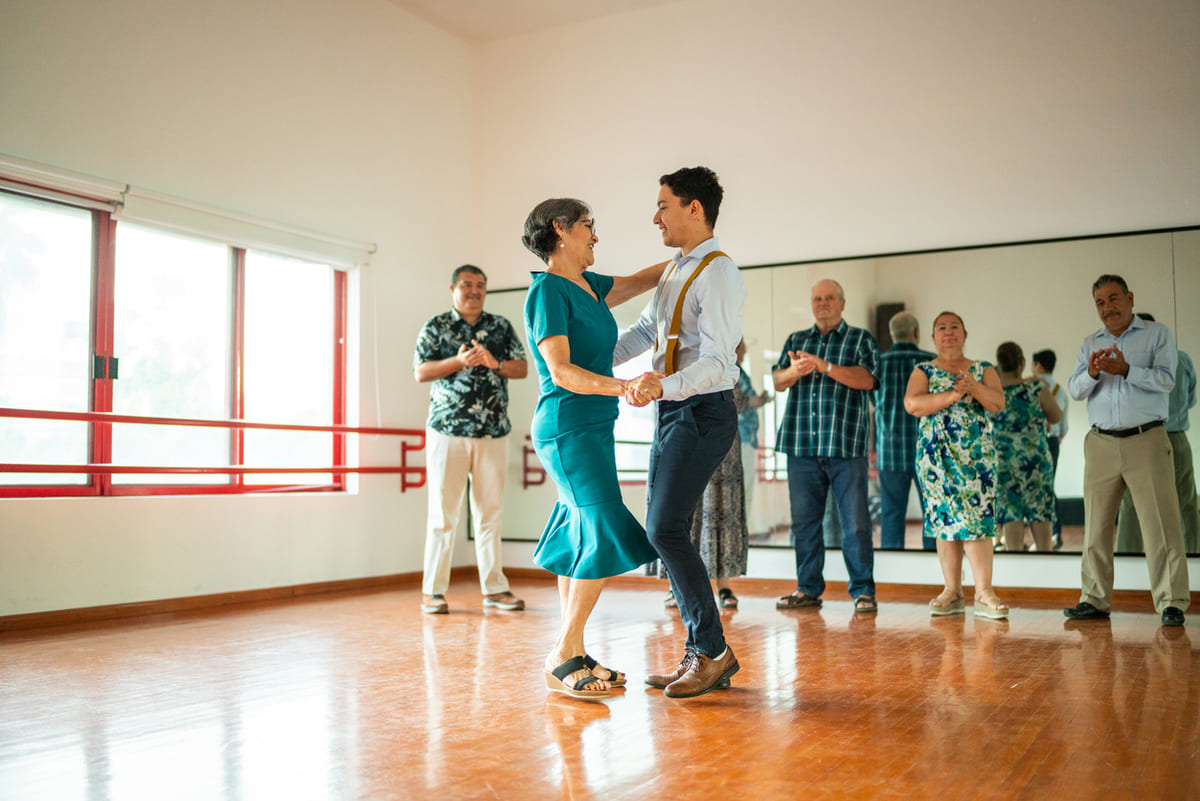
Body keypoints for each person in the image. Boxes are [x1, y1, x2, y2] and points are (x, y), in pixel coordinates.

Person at [521, 198, 666, 699]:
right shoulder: (547, 293)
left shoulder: (590, 285)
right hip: (567, 427)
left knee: (580, 534)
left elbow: (641, 280)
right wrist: (623, 386)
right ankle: (563, 652)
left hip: (592, 426)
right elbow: (559, 371)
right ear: (560, 230)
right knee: (602, 525)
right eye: (588, 226)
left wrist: (694, 255)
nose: (595, 237)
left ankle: (573, 650)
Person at [614, 166, 746, 698]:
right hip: (675, 411)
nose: (656, 216)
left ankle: (712, 652)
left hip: (704, 410)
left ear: (695, 209)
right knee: (664, 528)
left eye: (664, 205)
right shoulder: (675, 270)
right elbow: (646, 331)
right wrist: (582, 359)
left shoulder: (718, 273)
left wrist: (662, 386)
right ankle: (702, 649)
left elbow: (719, 363)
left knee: (664, 528)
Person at [1064, 275, 1189, 627]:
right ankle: (1094, 599)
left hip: (1146, 440)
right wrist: (1091, 372)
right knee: (1096, 528)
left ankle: (1171, 602)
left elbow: (1167, 380)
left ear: (1130, 298)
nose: (1108, 308)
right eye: (1100, 303)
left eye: (1114, 298)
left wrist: (1127, 370)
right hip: (1101, 443)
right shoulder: (1091, 343)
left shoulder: (1156, 334)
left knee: (1161, 526)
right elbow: (1075, 390)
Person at [413, 264, 528, 615]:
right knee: (442, 516)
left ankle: (495, 589)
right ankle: (433, 592)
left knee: (490, 514)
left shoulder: (500, 326)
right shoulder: (436, 326)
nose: (474, 290)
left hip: (493, 432)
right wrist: (458, 361)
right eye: (467, 285)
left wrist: (494, 363)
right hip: (447, 432)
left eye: (480, 285)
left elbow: (521, 369)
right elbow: (420, 372)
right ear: (453, 289)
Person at [772, 279, 880, 613]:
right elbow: (777, 381)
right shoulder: (797, 340)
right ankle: (807, 589)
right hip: (801, 445)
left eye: (829, 298)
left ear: (842, 303)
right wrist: (794, 371)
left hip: (846, 447)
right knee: (804, 524)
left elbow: (868, 379)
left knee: (856, 523)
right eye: (817, 298)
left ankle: (862, 592)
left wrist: (825, 366)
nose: (822, 303)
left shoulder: (860, 338)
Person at [904, 311, 1010, 619]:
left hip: (976, 457)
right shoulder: (923, 370)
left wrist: (973, 387)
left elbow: (997, 403)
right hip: (936, 457)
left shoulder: (983, 369)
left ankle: (984, 591)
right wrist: (952, 395)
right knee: (944, 521)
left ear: (965, 334)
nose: (948, 332)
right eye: (941, 328)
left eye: (954, 327)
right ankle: (952, 590)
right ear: (933, 337)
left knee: (978, 520)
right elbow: (913, 404)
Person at [655, 341, 754, 611]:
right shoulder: (683, 364)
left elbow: (740, 402)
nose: (740, 351)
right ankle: (677, 587)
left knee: (723, 513)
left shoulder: (735, 372)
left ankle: (724, 586)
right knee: (685, 515)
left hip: (724, 452)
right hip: (688, 443)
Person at [1115, 314, 1198, 555]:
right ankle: (1194, 557)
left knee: (1131, 504)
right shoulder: (1182, 359)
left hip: (1137, 438)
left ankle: (1127, 557)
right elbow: (1190, 399)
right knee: (1185, 502)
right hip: (1176, 436)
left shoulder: (1128, 364)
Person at [991, 342, 1062, 552]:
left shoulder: (994, 393)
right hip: (1036, 463)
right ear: (1022, 363)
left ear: (1000, 365)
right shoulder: (1036, 388)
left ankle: (1017, 576)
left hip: (1005, 464)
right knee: (1041, 516)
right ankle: (1045, 572)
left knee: (1011, 516)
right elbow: (1057, 417)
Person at [874, 311, 936, 550]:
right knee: (932, 513)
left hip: (890, 451)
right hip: (928, 452)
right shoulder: (931, 364)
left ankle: (894, 568)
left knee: (891, 514)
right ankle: (933, 567)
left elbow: (872, 402)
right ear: (917, 333)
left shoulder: (878, 364)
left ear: (892, 335)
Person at [1031, 349, 1069, 549]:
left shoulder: (1031, 386)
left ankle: (1035, 536)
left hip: (1033, 441)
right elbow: (1064, 426)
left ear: (1037, 365)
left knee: (1030, 485)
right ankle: (1055, 533)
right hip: (1052, 441)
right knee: (1048, 486)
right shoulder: (1060, 391)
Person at [735, 339, 770, 538]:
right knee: (743, 491)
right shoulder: (732, 372)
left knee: (746, 490)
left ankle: (742, 535)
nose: (744, 354)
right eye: (743, 350)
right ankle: (741, 537)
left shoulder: (740, 372)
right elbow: (744, 401)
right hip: (740, 439)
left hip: (747, 438)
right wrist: (762, 400)